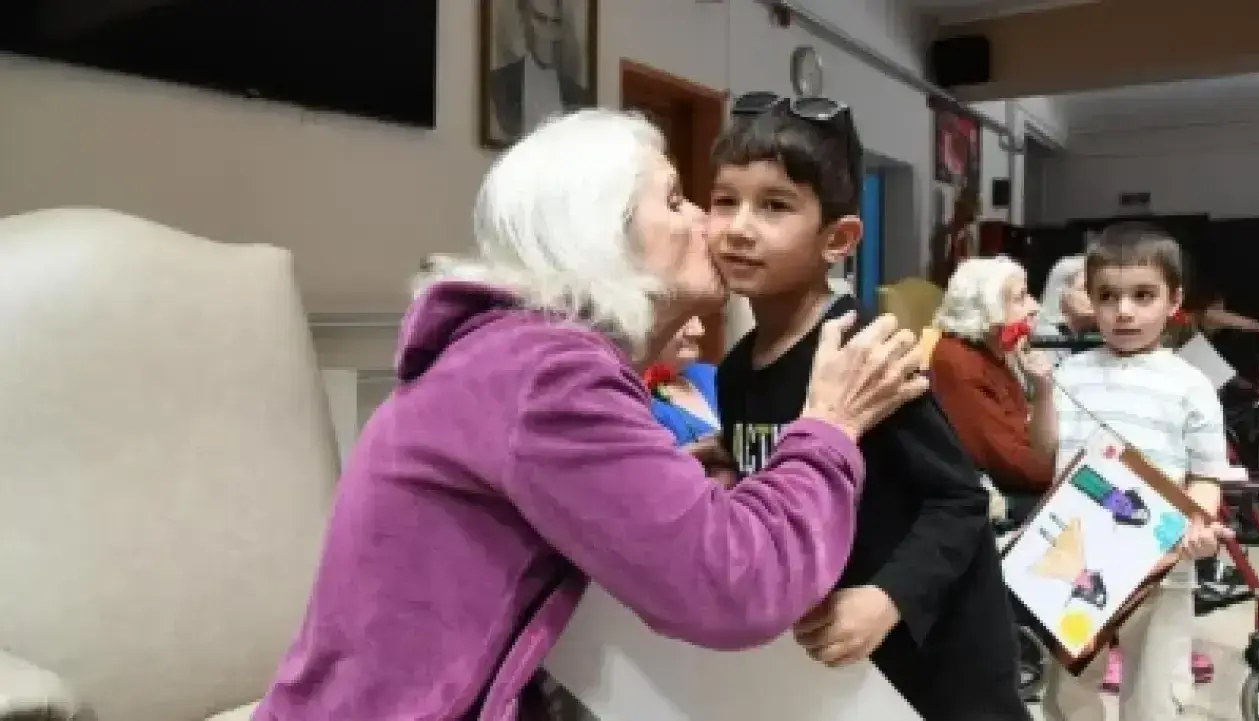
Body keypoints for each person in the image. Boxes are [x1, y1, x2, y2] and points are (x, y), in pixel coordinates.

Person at [251, 109, 929, 721]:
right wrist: (829, 426)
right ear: (601, 238)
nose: (709, 222)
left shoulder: (513, 356)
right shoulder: (549, 375)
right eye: (676, 200)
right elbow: (736, 585)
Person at [705, 92, 1029, 721]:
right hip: (844, 666)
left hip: (940, 658)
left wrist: (886, 597)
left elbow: (960, 500)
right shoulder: (736, 372)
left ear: (839, 239)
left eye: (774, 206)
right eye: (725, 200)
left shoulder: (866, 351)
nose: (739, 227)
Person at [1029, 221, 1234, 720]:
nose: (1124, 312)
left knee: (1156, 690)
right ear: (1089, 301)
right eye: (1108, 296)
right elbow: (1043, 451)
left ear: (1174, 300)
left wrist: (1198, 522)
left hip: (1162, 563)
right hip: (1077, 557)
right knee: (1068, 692)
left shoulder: (1191, 384)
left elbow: (1206, 475)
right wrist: (1042, 392)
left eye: (1143, 296)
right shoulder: (1069, 373)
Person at [929, 256, 1056, 523]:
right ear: (988, 309)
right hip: (1000, 498)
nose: (1034, 306)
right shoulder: (959, 362)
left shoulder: (993, 351)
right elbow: (1021, 470)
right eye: (1020, 298)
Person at [489, 0, 590, 140]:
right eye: (541, 19)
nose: (548, 34)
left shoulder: (577, 95)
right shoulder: (497, 84)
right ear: (524, 20)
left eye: (555, 22)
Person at [645, 316, 720, 446]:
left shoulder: (709, 374)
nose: (699, 331)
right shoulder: (636, 403)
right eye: (683, 320)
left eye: (696, 316)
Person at [1035, 254, 1098, 367]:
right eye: (1085, 288)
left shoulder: (1102, 334)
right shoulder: (1044, 335)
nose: (1095, 296)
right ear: (1062, 294)